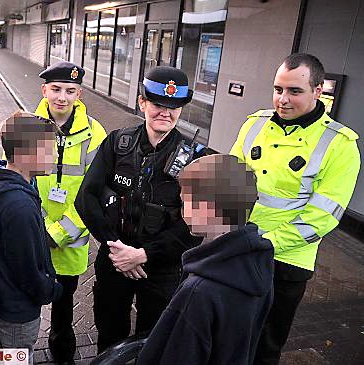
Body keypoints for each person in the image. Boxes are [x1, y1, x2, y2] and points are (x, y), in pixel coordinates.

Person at [230, 53, 360, 364]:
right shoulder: (253, 124)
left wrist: (265, 243)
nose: (283, 100)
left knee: (265, 344)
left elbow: (322, 217)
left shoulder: (340, 144)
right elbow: (228, 180)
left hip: (287, 262)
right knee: (230, 331)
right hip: (239, 247)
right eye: (278, 89)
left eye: (294, 91)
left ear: (318, 91)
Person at [75, 66, 208, 353]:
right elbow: (86, 198)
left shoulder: (196, 159)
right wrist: (117, 248)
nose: (166, 113)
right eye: (159, 104)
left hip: (162, 270)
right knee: (110, 336)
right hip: (114, 261)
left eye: (174, 107)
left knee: (155, 341)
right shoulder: (117, 142)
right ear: (142, 103)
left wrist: (144, 254)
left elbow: (196, 226)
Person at [137, 154, 274, 365]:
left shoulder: (198, 291)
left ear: (207, 208)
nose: (181, 212)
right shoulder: (258, 264)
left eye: (184, 203)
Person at [33, 61, 107, 364]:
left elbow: (96, 194)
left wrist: (58, 232)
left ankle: (61, 350)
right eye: (56, 89)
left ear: (80, 93)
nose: (62, 97)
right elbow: (14, 180)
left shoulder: (95, 133)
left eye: (70, 90)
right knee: (27, 303)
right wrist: (36, 228)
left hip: (68, 244)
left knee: (64, 309)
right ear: (44, 90)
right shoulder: (27, 126)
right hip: (33, 236)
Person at [0, 111, 63, 365]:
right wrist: (52, 289)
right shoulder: (19, 206)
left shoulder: (10, 186)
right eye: (50, 149)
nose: (57, 155)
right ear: (28, 154)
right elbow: (27, 270)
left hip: (5, 301)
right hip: (17, 309)